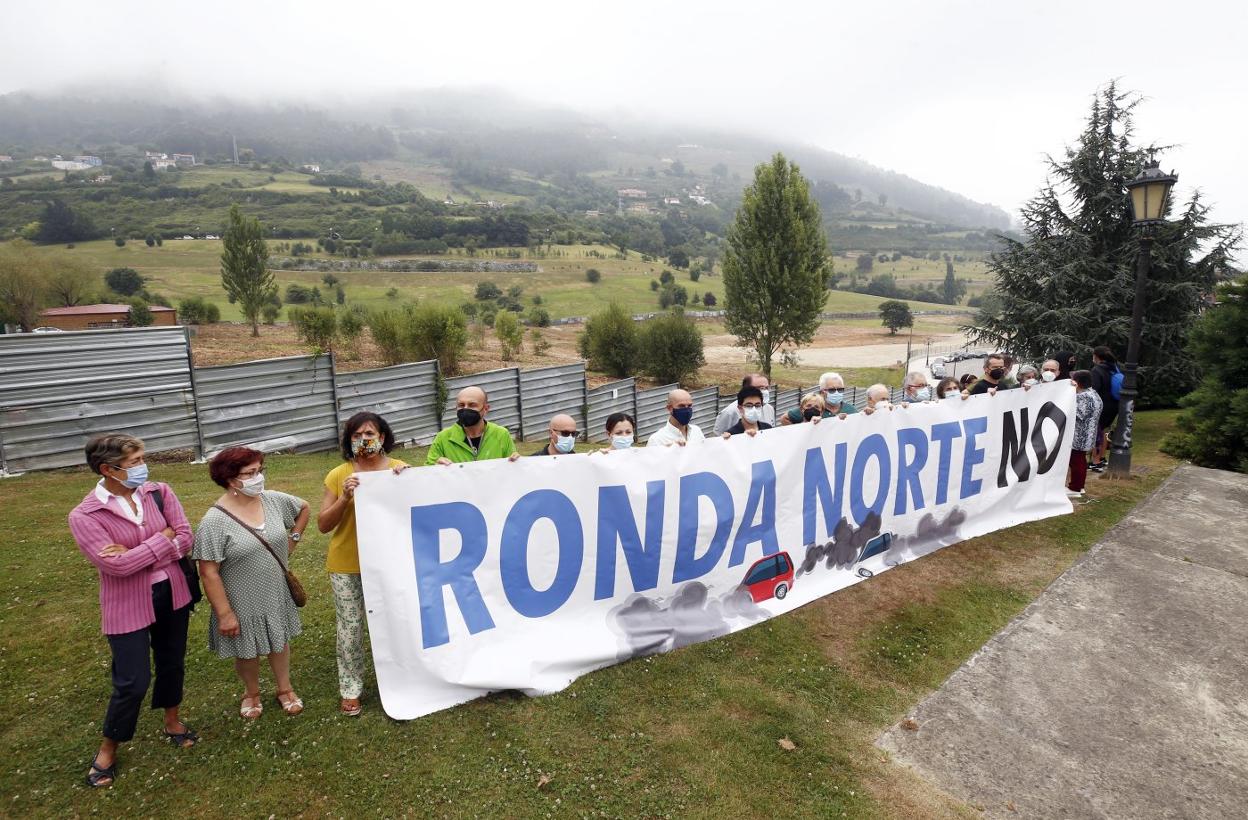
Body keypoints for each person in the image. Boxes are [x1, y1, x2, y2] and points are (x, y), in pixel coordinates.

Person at [69, 433, 197, 788]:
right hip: (126, 604)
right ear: (109, 470)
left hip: (173, 593)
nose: (144, 466)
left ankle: (172, 720)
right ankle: (109, 745)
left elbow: (186, 537)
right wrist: (161, 539)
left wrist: (137, 552)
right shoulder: (86, 515)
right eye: (135, 462)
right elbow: (118, 569)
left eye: (142, 458)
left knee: (172, 662)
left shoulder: (159, 492)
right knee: (132, 680)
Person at [193, 447, 310, 720]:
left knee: (279, 641)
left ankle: (285, 689)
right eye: (250, 473)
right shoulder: (214, 521)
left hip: (274, 589)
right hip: (240, 597)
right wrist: (224, 613)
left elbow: (303, 507)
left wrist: (292, 540)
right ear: (230, 479)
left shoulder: (272, 500)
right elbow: (208, 572)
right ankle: (252, 693)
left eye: (259, 471)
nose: (258, 478)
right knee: (246, 648)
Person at [316, 412, 408, 716]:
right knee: (351, 628)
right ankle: (351, 688)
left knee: (397, 623)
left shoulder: (400, 470)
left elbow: (418, 512)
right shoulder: (339, 474)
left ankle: (401, 681)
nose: (364, 440)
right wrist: (344, 498)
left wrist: (410, 483)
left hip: (391, 562)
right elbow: (323, 525)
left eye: (369, 434)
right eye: (356, 435)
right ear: (348, 439)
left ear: (383, 438)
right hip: (347, 563)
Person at [426, 386, 519, 465]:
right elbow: (426, 473)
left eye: (472, 405)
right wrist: (435, 465)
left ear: (486, 409)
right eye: (461, 405)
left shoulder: (501, 434)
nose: (465, 409)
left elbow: (512, 470)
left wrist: (517, 461)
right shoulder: (443, 438)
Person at [1069, 370, 1104, 497]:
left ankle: (1076, 487)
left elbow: (1079, 414)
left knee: (1077, 461)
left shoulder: (1083, 396)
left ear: (1077, 383)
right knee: (1079, 460)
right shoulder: (1093, 394)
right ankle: (1079, 486)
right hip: (1089, 433)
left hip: (1080, 434)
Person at [780, 372, 857, 424]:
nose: (837, 393)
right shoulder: (813, 408)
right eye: (832, 390)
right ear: (822, 392)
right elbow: (784, 419)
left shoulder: (851, 410)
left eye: (840, 389)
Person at [1089, 346, 1121, 472]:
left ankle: (1095, 461)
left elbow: (1094, 389)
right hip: (1113, 405)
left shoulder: (1097, 370)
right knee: (1104, 432)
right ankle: (1102, 458)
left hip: (1101, 405)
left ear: (1096, 356)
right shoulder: (1114, 368)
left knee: (1096, 433)